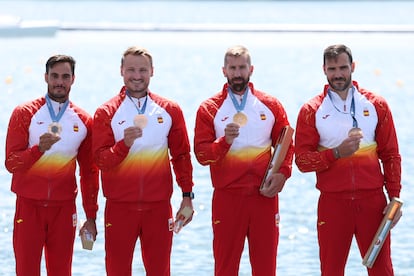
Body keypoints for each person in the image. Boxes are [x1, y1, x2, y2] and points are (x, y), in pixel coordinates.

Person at [294, 44, 402, 276]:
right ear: (324, 70)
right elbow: (302, 161)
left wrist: (394, 197)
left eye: (343, 67)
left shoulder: (376, 105)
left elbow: (391, 154)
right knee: (331, 271)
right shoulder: (311, 110)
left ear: (353, 67)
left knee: (382, 271)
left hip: (373, 203)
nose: (338, 74)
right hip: (333, 204)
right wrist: (335, 154)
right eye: (332, 69)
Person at [92, 46, 195, 276]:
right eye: (131, 70)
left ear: (152, 72)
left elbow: (181, 156)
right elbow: (100, 161)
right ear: (121, 71)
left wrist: (187, 197)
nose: (136, 76)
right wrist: (123, 146)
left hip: (158, 208)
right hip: (120, 208)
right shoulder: (106, 112)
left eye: (142, 70)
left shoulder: (170, 110)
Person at [194, 45, 294, 276]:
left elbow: (287, 143)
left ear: (251, 69)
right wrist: (224, 142)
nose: (237, 73)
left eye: (242, 67)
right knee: (225, 268)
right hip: (228, 198)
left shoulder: (271, 104)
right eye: (233, 68)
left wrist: (284, 173)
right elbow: (201, 154)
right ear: (224, 71)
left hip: (264, 196)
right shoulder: (209, 109)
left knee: (266, 268)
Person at [4, 54, 99, 276]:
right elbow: (11, 163)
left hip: (64, 210)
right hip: (29, 207)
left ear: (73, 79)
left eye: (65, 76)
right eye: (54, 76)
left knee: (61, 272)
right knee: (26, 271)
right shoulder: (24, 113)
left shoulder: (84, 121)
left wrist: (91, 216)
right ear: (46, 77)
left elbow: (89, 173)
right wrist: (38, 150)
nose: (59, 82)